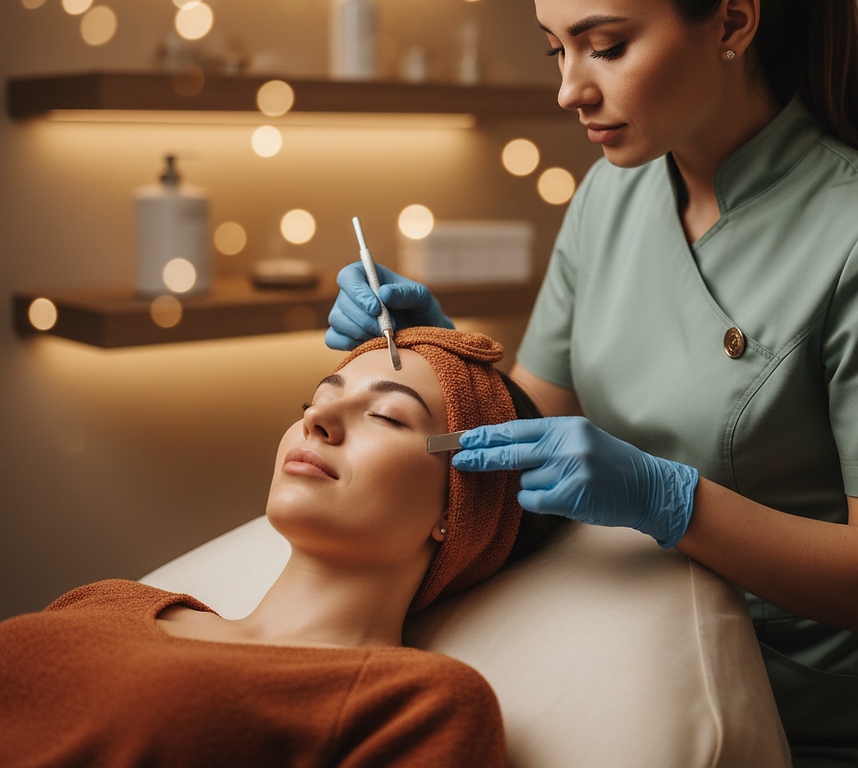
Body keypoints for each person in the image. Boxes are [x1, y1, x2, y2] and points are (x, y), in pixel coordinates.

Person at [325, 0, 858, 768]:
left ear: (732, 20)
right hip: (614, 651)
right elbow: (540, 425)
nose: (569, 89)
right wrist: (434, 353)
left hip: (815, 718)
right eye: (557, 49)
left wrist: (671, 501)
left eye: (606, 45)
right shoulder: (611, 192)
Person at [0, 327, 542, 768]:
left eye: (385, 416)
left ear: (460, 510)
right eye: (317, 400)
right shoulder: (108, 599)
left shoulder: (416, 703)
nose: (316, 420)